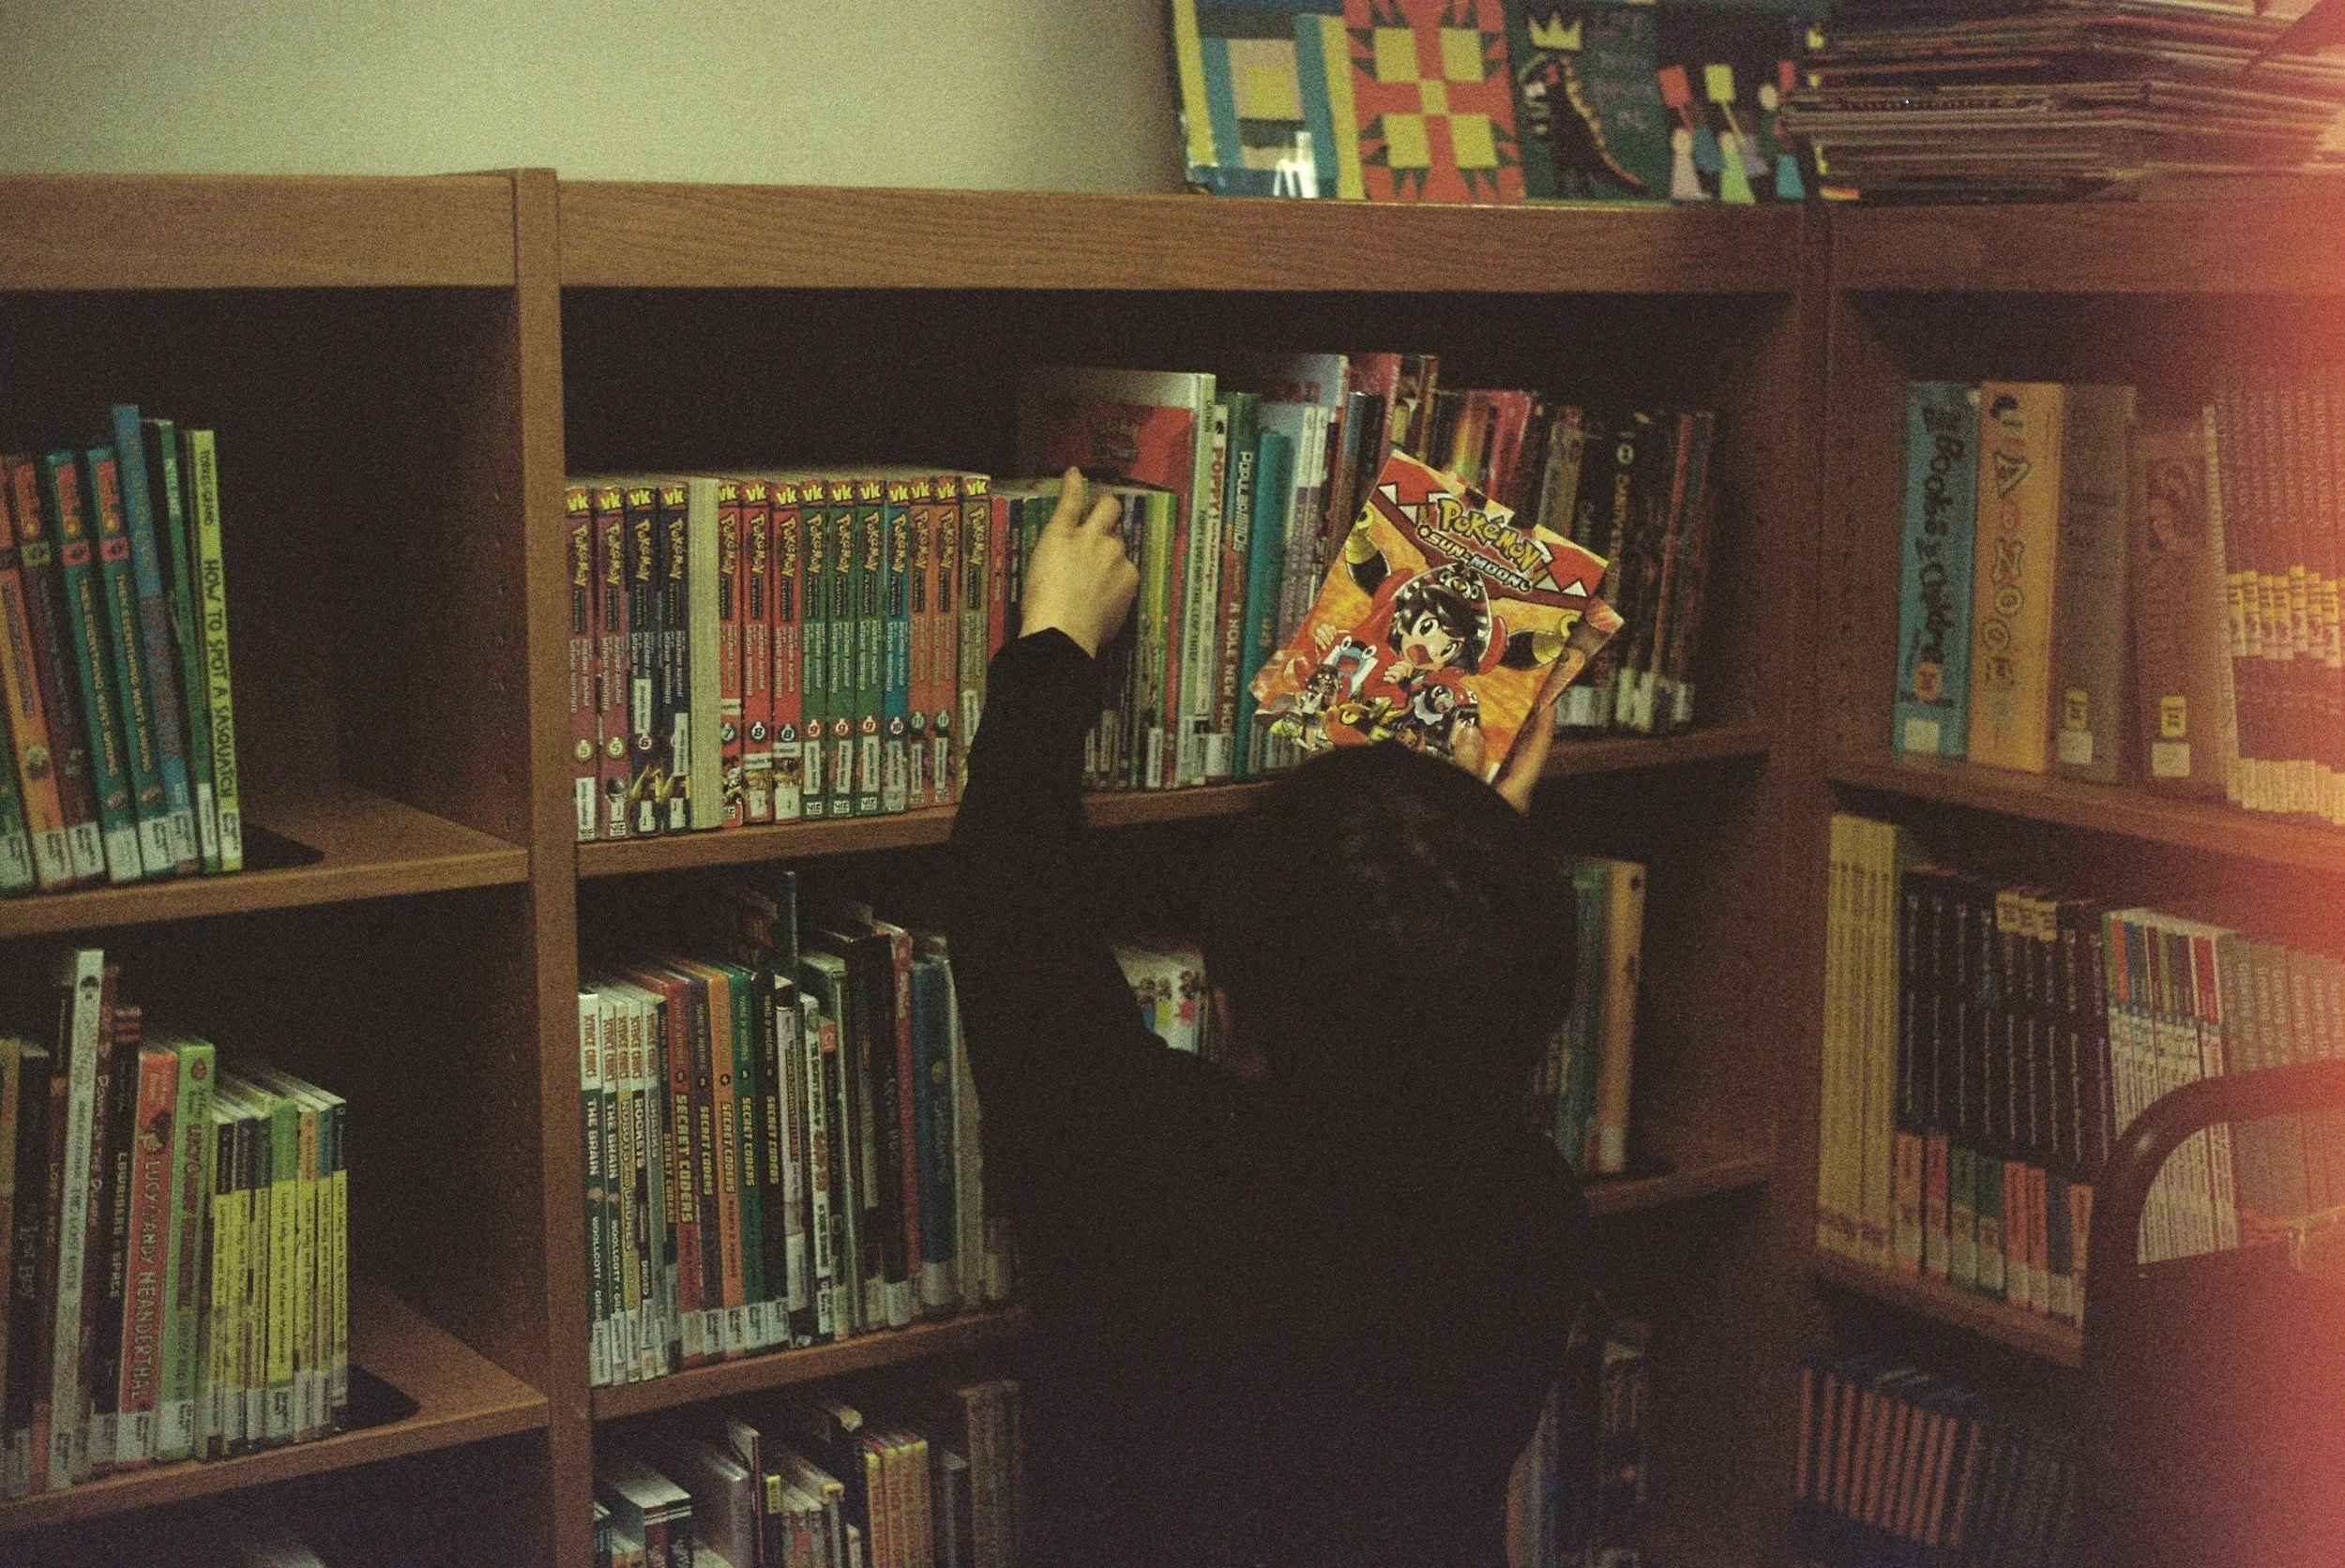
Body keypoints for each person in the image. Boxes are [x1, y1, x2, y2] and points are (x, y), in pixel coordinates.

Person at [946, 471, 1589, 1566]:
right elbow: (1446, 1006)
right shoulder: (1529, 1217)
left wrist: (1052, 643)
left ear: (1228, 999)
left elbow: (1014, 910)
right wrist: (1464, 855)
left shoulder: (1141, 1169)